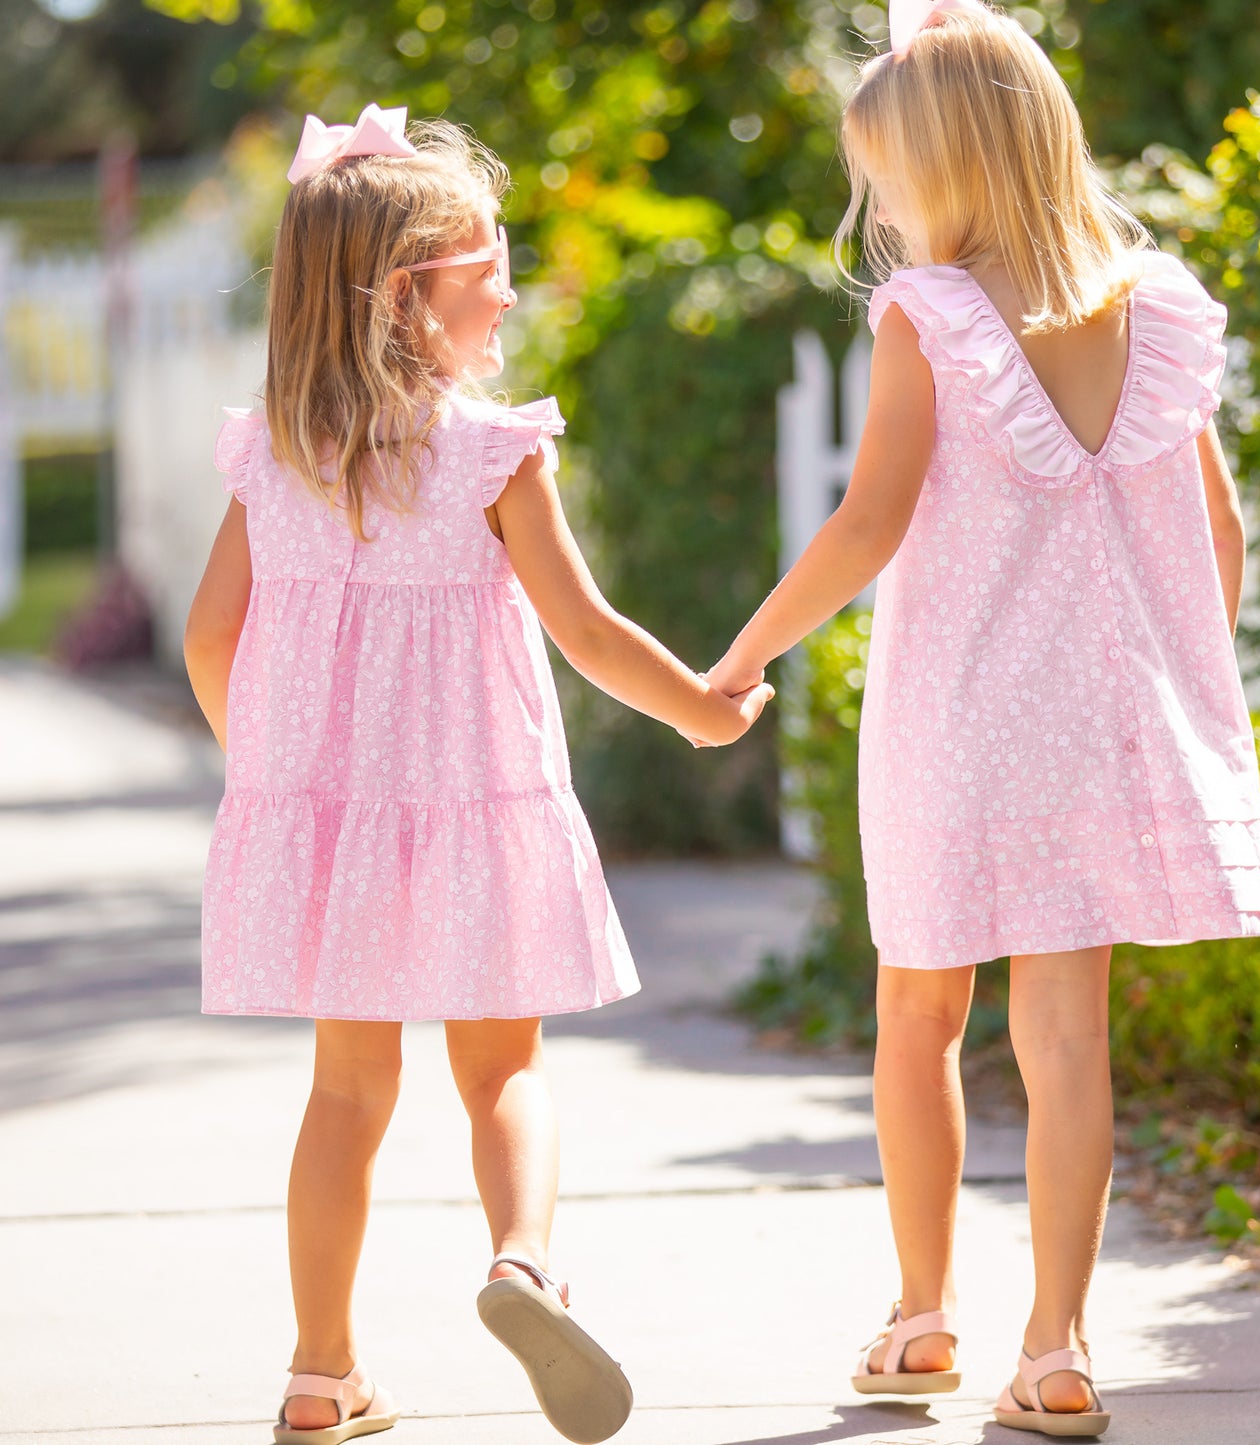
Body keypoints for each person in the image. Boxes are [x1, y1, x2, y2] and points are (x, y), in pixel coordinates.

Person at [703, 2, 1260, 1433]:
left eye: (888, 182)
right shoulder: (1155, 303)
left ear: (944, 172)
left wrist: (736, 662)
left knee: (917, 1012)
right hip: (1104, 725)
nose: (881, 212)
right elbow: (1216, 533)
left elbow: (862, 529)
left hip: (956, 720)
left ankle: (919, 1319)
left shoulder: (930, 316)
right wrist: (1181, 692)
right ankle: (1058, 1345)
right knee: (1067, 1039)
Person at [183, 104, 773, 1445]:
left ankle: (319, 1370)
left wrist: (276, 778)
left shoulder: (273, 451)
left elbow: (210, 636)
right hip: (476, 811)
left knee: (344, 1091)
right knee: (504, 1065)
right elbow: (584, 628)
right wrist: (702, 710)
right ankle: (521, 1261)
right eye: (487, 264)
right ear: (409, 294)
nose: (509, 286)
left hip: (326, 826)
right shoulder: (491, 449)